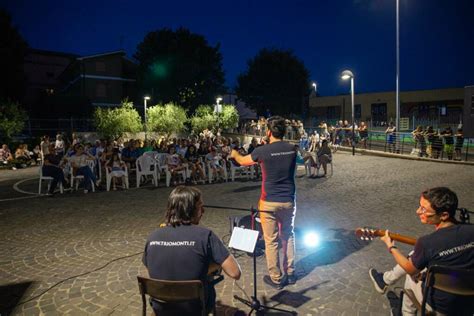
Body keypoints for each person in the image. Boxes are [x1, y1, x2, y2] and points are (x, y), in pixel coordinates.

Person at [368, 187, 474, 315]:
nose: (418, 211)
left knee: (411, 276)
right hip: (468, 300)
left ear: (444, 215)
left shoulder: (427, 242)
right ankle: (385, 280)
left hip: (440, 307)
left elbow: (410, 269)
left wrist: (391, 246)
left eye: (424, 209)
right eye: (419, 206)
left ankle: (405, 313)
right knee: (414, 255)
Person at [142, 186, 241, 314]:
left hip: (161, 307)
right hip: (194, 308)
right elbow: (235, 273)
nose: (203, 211)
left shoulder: (153, 236)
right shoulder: (205, 236)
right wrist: (212, 265)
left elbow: (153, 269)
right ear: (190, 209)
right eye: (200, 206)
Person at [230, 116, 297, 289]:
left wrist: (234, 153)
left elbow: (243, 161)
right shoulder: (292, 149)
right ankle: (290, 272)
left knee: (271, 240)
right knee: (288, 235)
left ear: (268, 132)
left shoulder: (263, 151)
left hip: (268, 202)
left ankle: (276, 278)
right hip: (288, 200)